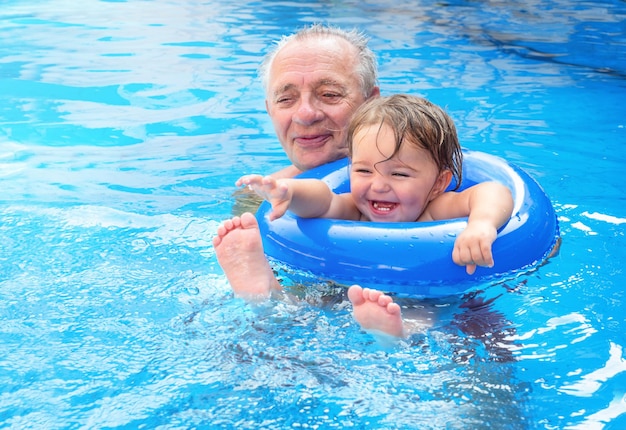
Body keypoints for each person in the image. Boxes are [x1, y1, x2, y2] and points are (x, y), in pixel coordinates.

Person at [215, 94, 514, 339]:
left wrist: (482, 224)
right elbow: (322, 199)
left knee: (427, 310)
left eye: (398, 173)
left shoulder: (435, 210)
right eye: (363, 170)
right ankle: (262, 291)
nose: (378, 185)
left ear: (437, 183)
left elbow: (494, 191)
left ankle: (395, 332)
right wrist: (289, 193)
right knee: (308, 302)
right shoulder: (355, 208)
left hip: (421, 293)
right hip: (344, 289)